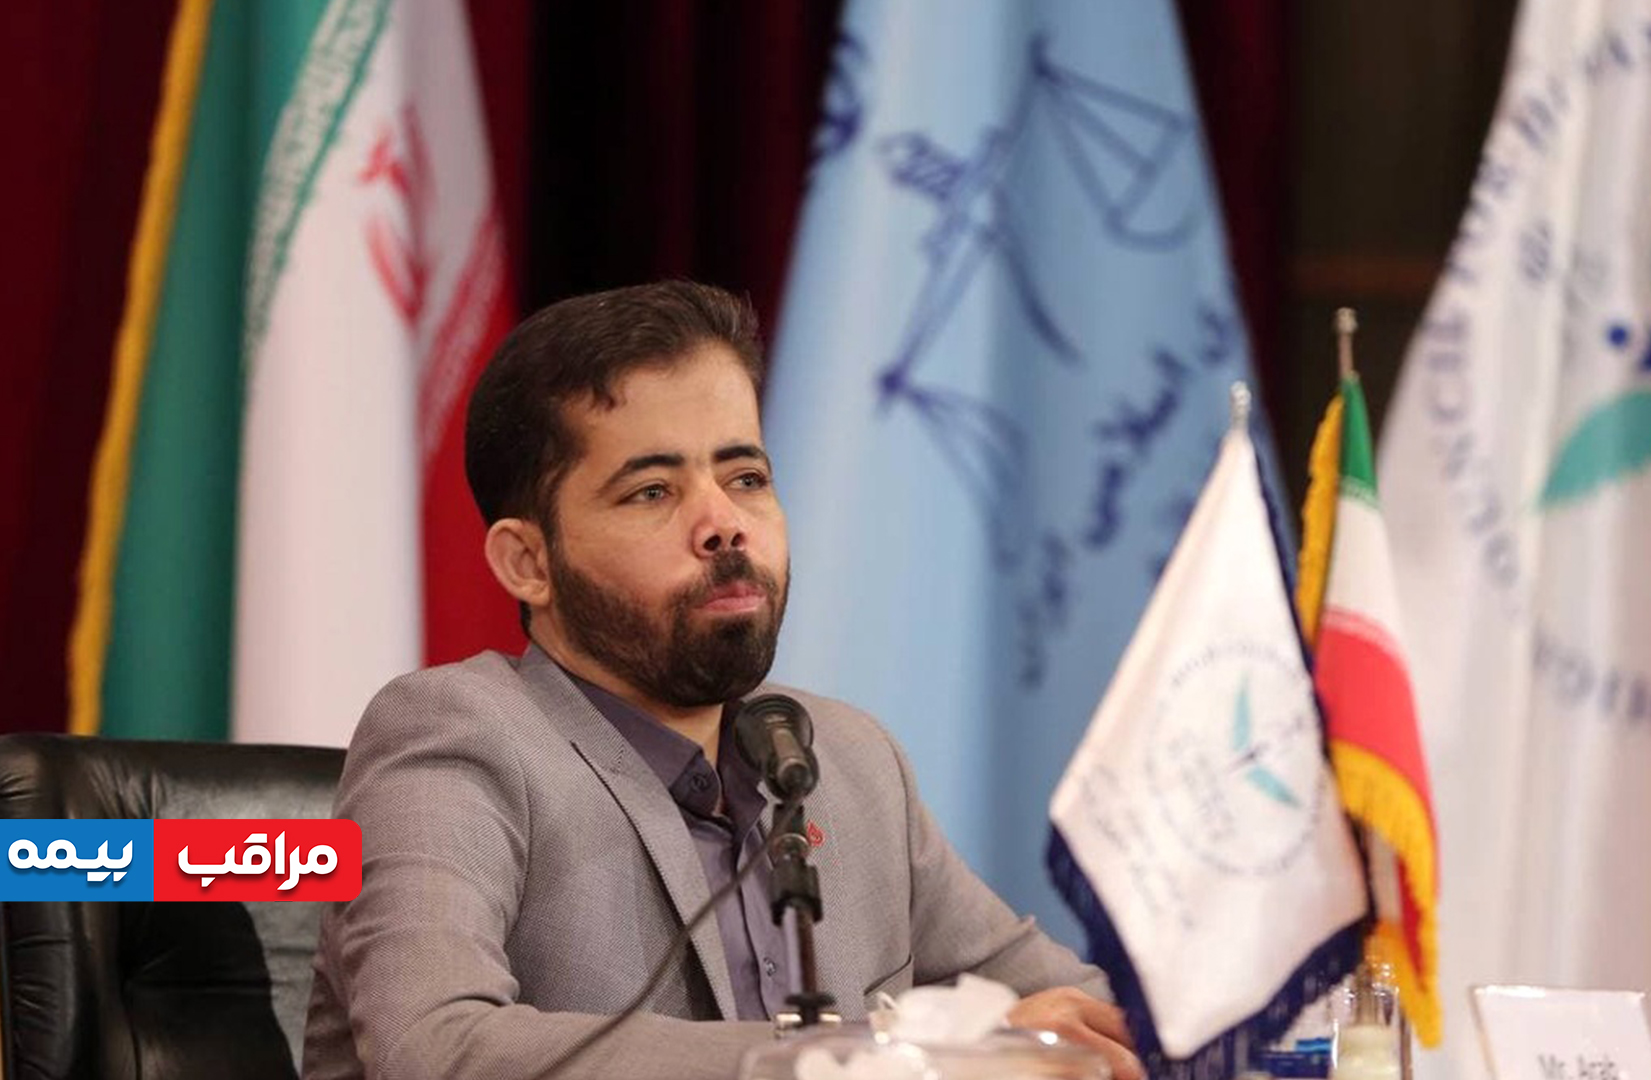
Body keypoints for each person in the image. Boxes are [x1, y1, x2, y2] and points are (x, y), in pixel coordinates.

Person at [301, 282, 1141, 1080]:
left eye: (746, 478)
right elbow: (436, 1048)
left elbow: (1081, 1011)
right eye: (651, 492)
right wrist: (871, 1056)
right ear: (528, 562)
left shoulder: (847, 760)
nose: (724, 525)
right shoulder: (458, 735)